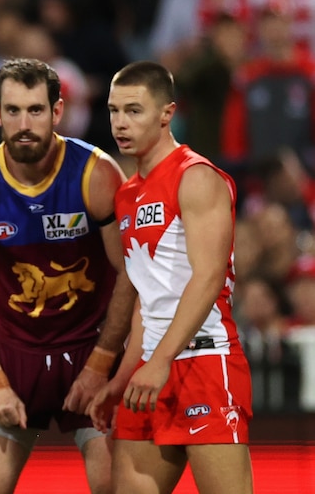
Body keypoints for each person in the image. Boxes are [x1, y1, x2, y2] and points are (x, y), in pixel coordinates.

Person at [0, 58, 137, 493]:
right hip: (15, 355)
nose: (24, 123)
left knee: (117, 486)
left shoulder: (96, 174)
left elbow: (129, 275)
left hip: (92, 347)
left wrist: (101, 366)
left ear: (57, 112)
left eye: (35, 110)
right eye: (13, 111)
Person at [91, 61, 253, 493]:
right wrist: (126, 376)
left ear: (167, 113)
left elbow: (209, 277)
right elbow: (147, 298)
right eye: (113, 111)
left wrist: (160, 361)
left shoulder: (195, 177)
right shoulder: (126, 195)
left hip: (205, 360)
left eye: (134, 111)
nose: (120, 124)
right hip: (149, 371)